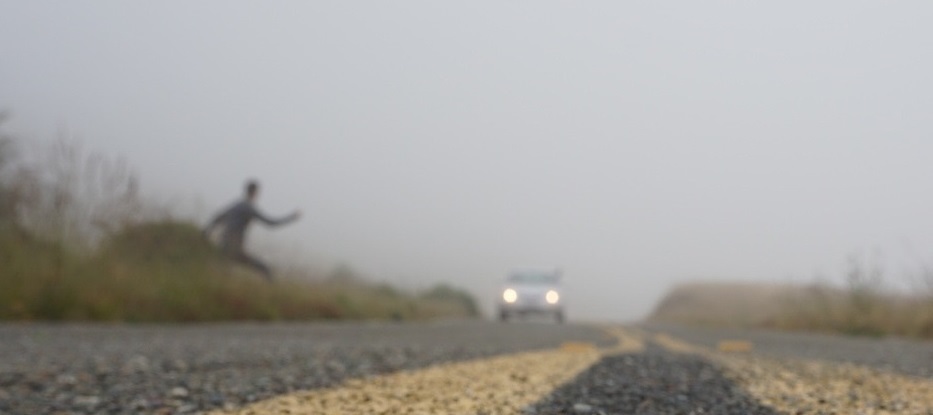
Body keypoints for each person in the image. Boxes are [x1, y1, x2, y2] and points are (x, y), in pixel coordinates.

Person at [203, 180, 300, 281]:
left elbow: (218, 218)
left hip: (223, 244)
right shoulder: (249, 208)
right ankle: (273, 294)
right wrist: (292, 217)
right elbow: (271, 223)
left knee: (225, 273)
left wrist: (205, 232)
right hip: (234, 247)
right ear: (255, 193)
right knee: (265, 270)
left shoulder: (236, 205)